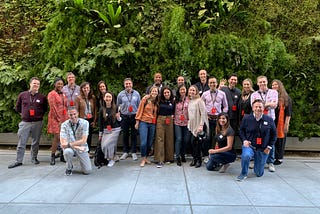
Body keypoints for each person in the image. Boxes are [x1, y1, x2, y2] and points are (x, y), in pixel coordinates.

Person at [8, 77, 48, 169]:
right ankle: (18, 161)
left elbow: (45, 109)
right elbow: (17, 107)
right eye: (34, 83)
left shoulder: (42, 97)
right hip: (25, 122)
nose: (36, 85)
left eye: (38, 84)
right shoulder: (22, 95)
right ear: (30, 84)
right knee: (22, 142)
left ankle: (34, 158)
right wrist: (24, 114)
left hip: (37, 122)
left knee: (35, 142)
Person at [236, 99, 277, 181]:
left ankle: (257, 164)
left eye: (260, 107)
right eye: (256, 107)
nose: (258, 108)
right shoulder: (247, 118)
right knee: (246, 155)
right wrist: (244, 140)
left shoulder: (269, 120)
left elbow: (274, 135)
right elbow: (241, 131)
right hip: (250, 146)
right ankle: (243, 173)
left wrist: (269, 147)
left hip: (263, 149)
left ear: (263, 108)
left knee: (259, 173)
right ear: (252, 108)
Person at [250, 76, 278, 172]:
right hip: (257, 120)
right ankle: (255, 160)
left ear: (267, 82)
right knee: (256, 140)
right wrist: (268, 104)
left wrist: (261, 105)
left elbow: (274, 105)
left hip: (270, 119)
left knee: (271, 140)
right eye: (260, 82)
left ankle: (270, 162)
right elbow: (253, 106)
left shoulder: (274, 92)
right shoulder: (254, 94)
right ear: (257, 83)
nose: (262, 83)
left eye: (264, 81)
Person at [201, 77, 228, 163]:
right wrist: (205, 115)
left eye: (214, 83)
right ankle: (206, 155)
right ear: (208, 84)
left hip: (218, 119)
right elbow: (201, 107)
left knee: (217, 138)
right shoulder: (205, 94)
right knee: (207, 138)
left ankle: (215, 155)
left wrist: (222, 116)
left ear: (217, 83)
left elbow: (226, 106)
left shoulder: (222, 93)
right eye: (210, 83)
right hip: (208, 118)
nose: (212, 84)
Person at [60, 106, 92, 175]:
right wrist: (77, 147)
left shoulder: (85, 123)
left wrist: (71, 145)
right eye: (70, 115)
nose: (73, 116)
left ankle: (83, 163)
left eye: (74, 114)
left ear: (78, 113)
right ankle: (69, 167)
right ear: (68, 115)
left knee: (87, 171)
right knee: (67, 151)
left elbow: (83, 140)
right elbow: (63, 143)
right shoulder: (64, 125)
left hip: (81, 147)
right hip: (72, 148)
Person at [117, 78, 141, 161]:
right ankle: (125, 152)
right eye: (126, 84)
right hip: (124, 117)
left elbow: (139, 106)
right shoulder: (120, 95)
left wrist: (138, 118)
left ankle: (133, 152)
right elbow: (118, 106)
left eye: (129, 83)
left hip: (134, 116)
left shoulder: (137, 94)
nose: (128, 85)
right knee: (125, 134)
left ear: (132, 84)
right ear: (124, 85)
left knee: (134, 135)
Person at [135, 86, 159, 167]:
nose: (154, 92)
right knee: (143, 142)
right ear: (150, 92)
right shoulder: (145, 99)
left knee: (149, 143)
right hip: (144, 122)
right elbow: (140, 110)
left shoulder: (157, 101)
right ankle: (143, 158)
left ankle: (146, 158)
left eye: (156, 91)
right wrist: (137, 122)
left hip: (152, 123)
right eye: (153, 91)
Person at [47, 78, 68, 165]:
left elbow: (65, 106)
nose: (60, 85)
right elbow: (53, 107)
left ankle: (62, 155)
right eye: (58, 84)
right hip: (55, 118)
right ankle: (52, 156)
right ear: (55, 84)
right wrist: (59, 119)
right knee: (57, 137)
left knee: (64, 137)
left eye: (61, 84)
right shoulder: (51, 94)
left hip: (64, 117)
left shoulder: (63, 94)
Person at [187, 85, 209, 168]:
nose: (192, 92)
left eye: (193, 90)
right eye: (190, 90)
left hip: (198, 125)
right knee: (190, 143)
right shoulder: (190, 101)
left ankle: (199, 160)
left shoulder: (200, 101)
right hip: (191, 125)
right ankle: (194, 158)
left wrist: (201, 125)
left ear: (196, 91)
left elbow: (203, 113)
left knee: (196, 144)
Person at [271, 79, 292, 165]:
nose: (274, 86)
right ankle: (271, 157)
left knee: (280, 140)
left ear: (280, 86)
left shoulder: (286, 98)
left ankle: (279, 158)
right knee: (272, 140)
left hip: (281, 123)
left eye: (276, 84)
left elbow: (288, 113)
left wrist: (286, 124)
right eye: (272, 85)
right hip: (272, 121)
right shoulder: (271, 97)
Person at [98, 91, 122, 167]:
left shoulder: (117, 107)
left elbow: (120, 120)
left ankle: (111, 159)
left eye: (109, 97)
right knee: (103, 146)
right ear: (104, 98)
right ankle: (113, 157)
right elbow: (100, 122)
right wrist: (100, 133)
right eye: (106, 97)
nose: (108, 98)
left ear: (112, 98)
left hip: (115, 129)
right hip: (106, 130)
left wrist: (118, 117)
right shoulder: (102, 109)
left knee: (108, 144)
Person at [154, 86, 175, 168]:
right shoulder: (159, 100)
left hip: (169, 119)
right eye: (165, 92)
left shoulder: (173, 101)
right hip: (160, 119)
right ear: (162, 93)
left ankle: (169, 158)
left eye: (168, 92)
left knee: (169, 138)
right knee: (160, 138)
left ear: (170, 93)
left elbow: (174, 111)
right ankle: (160, 159)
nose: (166, 94)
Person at [75, 82, 97, 153]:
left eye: (87, 88)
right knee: (82, 136)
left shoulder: (93, 97)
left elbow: (95, 110)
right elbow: (76, 110)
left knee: (89, 136)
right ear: (81, 89)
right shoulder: (78, 98)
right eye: (84, 88)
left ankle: (88, 151)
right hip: (82, 120)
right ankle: (81, 151)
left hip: (90, 120)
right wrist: (77, 121)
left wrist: (94, 121)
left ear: (90, 89)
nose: (86, 89)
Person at [174, 84, 190, 166]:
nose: (183, 91)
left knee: (185, 140)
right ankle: (177, 156)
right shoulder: (175, 99)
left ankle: (183, 154)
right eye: (181, 90)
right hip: (177, 122)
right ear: (179, 91)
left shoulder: (189, 99)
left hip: (186, 122)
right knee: (179, 139)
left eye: (184, 89)